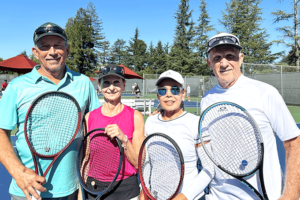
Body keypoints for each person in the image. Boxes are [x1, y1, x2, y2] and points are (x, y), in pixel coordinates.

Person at [0, 22, 100, 200]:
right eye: (44, 46)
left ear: (67, 50)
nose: (52, 52)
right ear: (35, 52)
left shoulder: (83, 83)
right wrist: (18, 172)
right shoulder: (17, 87)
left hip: (72, 190)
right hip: (26, 191)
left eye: (58, 46)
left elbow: (97, 125)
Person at [202, 32, 300, 199]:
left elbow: (293, 144)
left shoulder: (265, 92)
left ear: (241, 58)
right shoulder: (207, 99)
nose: (224, 63)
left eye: (230, 56)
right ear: (209, 63)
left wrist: (290, 195)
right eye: (217, 57)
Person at [140, 70, 215, 200]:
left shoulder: (195, 122)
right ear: (158, 95)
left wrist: (184, 197)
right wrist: (144, 189)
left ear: (183, 93)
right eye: (163, 90)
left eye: (175, 90)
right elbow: (146, 163)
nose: (169, 95)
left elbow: (209, 168)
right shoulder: (150, 122)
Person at [79, 65, 145, 200]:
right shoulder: (89, 117)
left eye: (116, 82)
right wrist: (81, 193)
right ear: (99, 86)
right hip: (94, 188)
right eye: (106, 83)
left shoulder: (135, 116)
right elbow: (86, 159)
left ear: (124, 85)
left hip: (125, 189)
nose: (111, 87)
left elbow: (139, 163)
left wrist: (124, 139)